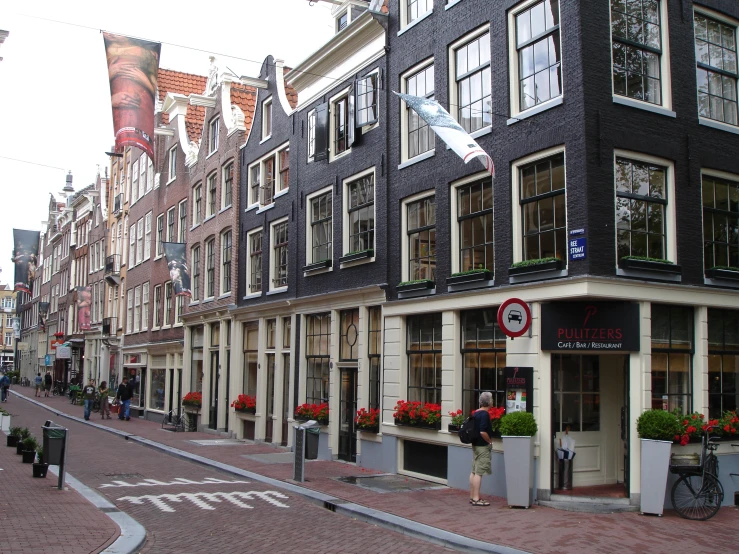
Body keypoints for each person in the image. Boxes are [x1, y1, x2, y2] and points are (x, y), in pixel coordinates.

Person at [469, 391, 494, 506]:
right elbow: (483, 431)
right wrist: (489, 441)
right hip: (482, 446)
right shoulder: (484, 414)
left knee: (474, 471)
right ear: (489, 402)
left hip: (475, 445)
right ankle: (476, 498)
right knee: (479, 472)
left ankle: (472, 496)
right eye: (492, 399)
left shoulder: (476, 413)